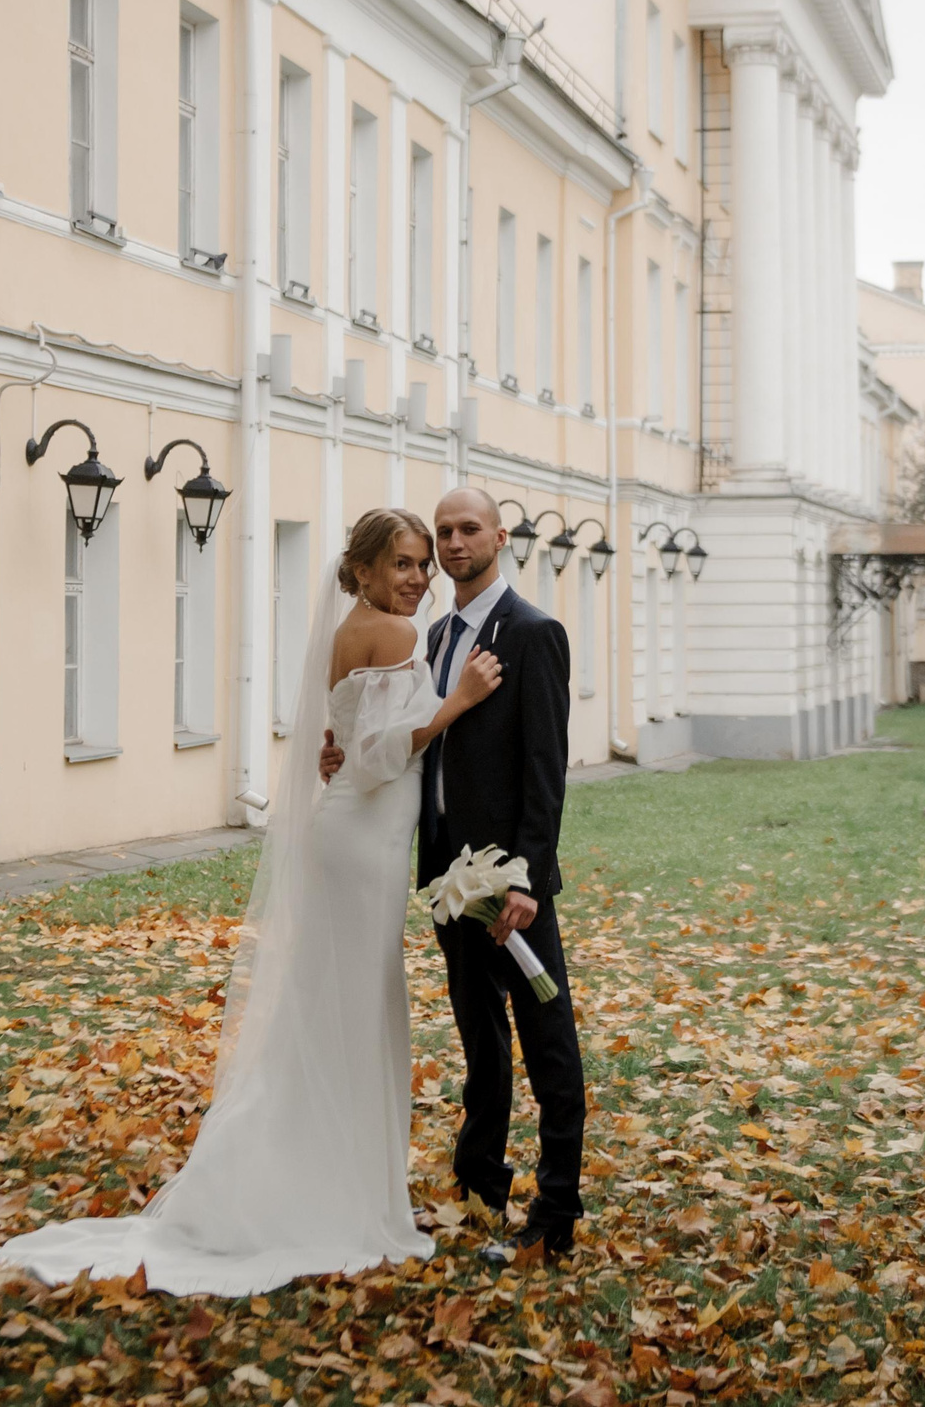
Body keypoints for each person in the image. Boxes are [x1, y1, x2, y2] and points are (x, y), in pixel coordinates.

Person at [0, 509, 501, 1296]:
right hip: (362, 840)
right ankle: (332, 1197)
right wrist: (458, 701)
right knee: (352, 1014)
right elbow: (370, 759)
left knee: (333, 1010)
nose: (417, 578)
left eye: (421, 565)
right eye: (401, 564)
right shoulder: (395, 635)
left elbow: (348, 741)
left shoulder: (360, 626)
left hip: (356, 839)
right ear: (363, 570)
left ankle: (319, 1177)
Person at [322, 487, 584, 1267]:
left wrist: (529, 878)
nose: (454, 542)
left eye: (469, 528)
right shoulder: (431, 635)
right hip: (444, 878)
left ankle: (557, 1207)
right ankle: (480, 1184)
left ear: (501, 536)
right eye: (443, 533)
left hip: (509, 887)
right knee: (479, 1039)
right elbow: (402, 736)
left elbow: (546, 770)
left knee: (547, 1039)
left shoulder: (535, 633)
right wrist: (342, 754)